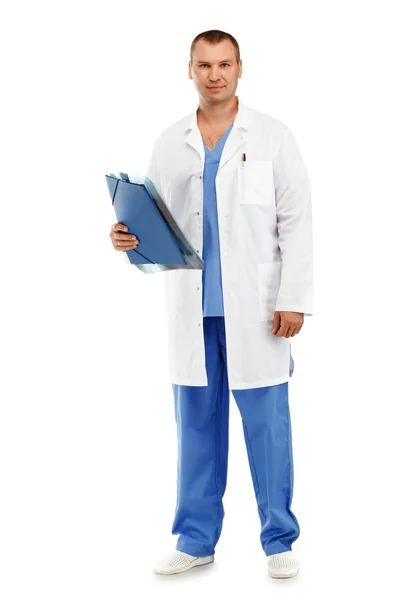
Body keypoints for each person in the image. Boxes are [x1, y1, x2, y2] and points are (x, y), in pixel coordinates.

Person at [110, 29, 313, 579]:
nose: (215, 74)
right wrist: (126, 238)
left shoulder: (272, 136)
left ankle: (278, 541)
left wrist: (293, 297)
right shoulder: (169, 139)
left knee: (267, 427)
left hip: (260, 310)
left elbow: (296, 220)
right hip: (193, 309)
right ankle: (196, 538)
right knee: (196, 426)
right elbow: (152, 221)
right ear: (191, 70)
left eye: (225, 64)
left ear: (240, 68)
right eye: (204, 64)